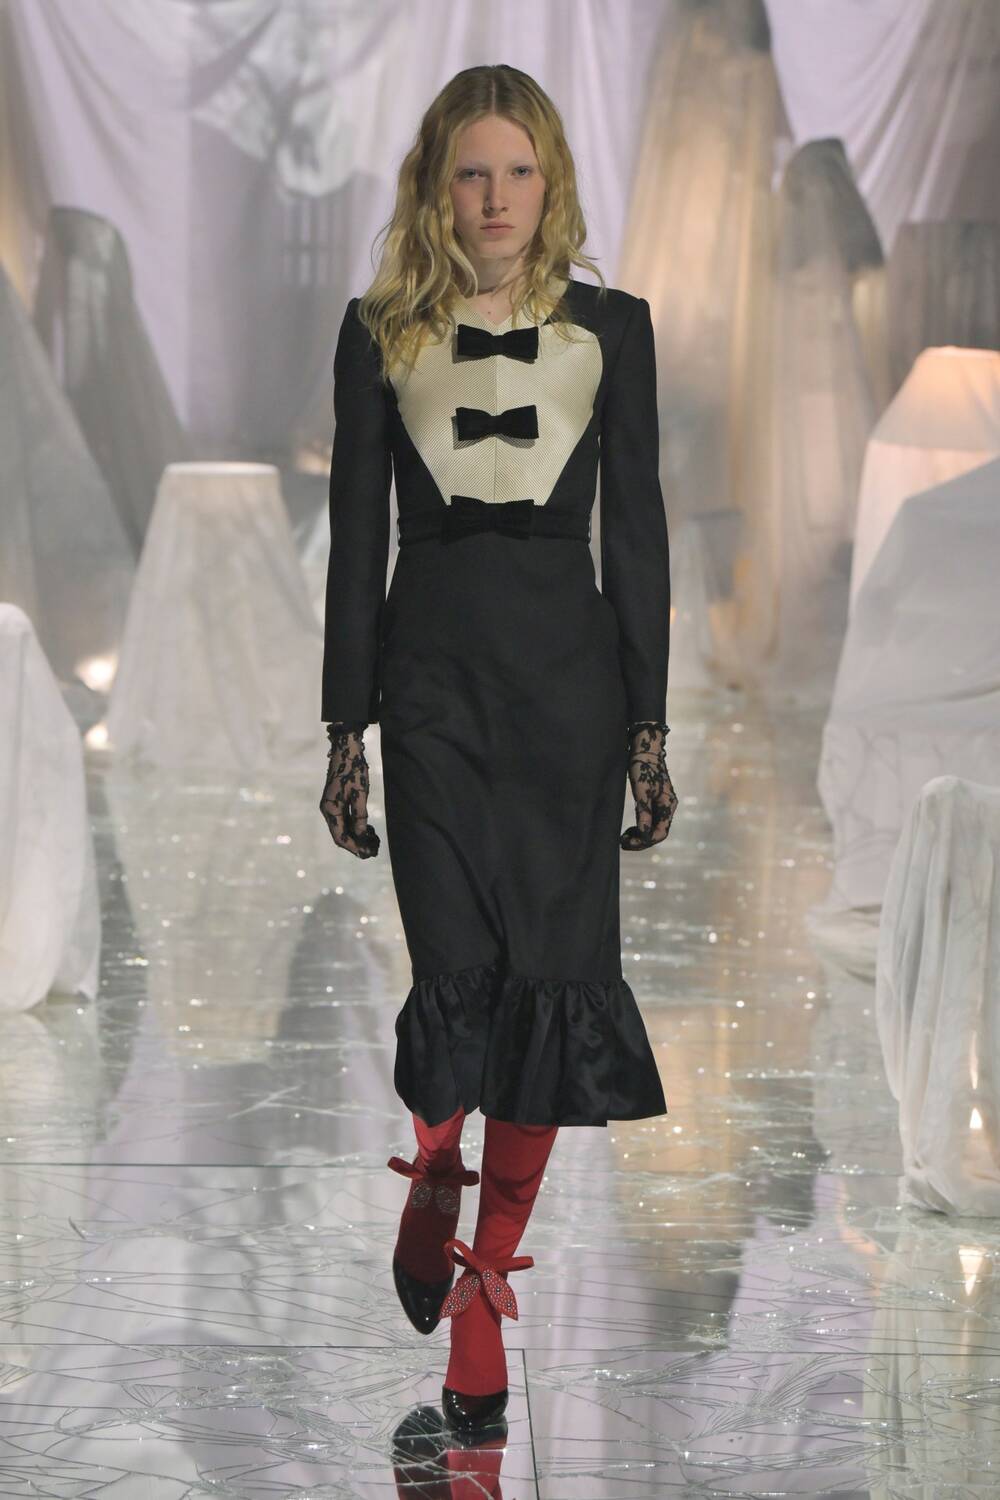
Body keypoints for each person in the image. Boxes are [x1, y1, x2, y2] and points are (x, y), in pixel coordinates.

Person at [319, 63, 677, 1437]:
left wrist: (647, 726)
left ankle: (480, 1294)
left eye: (518, 171)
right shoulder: (377, 333)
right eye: (471, 172)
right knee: (455, 969)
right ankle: (434, 1160)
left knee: (553, 984)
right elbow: (356, 542)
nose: (496, 197)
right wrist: (344, 729)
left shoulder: (613, 330)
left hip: (567, 699)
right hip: (435, 691)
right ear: (437, 185)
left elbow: (636, 535)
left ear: (550, 182)